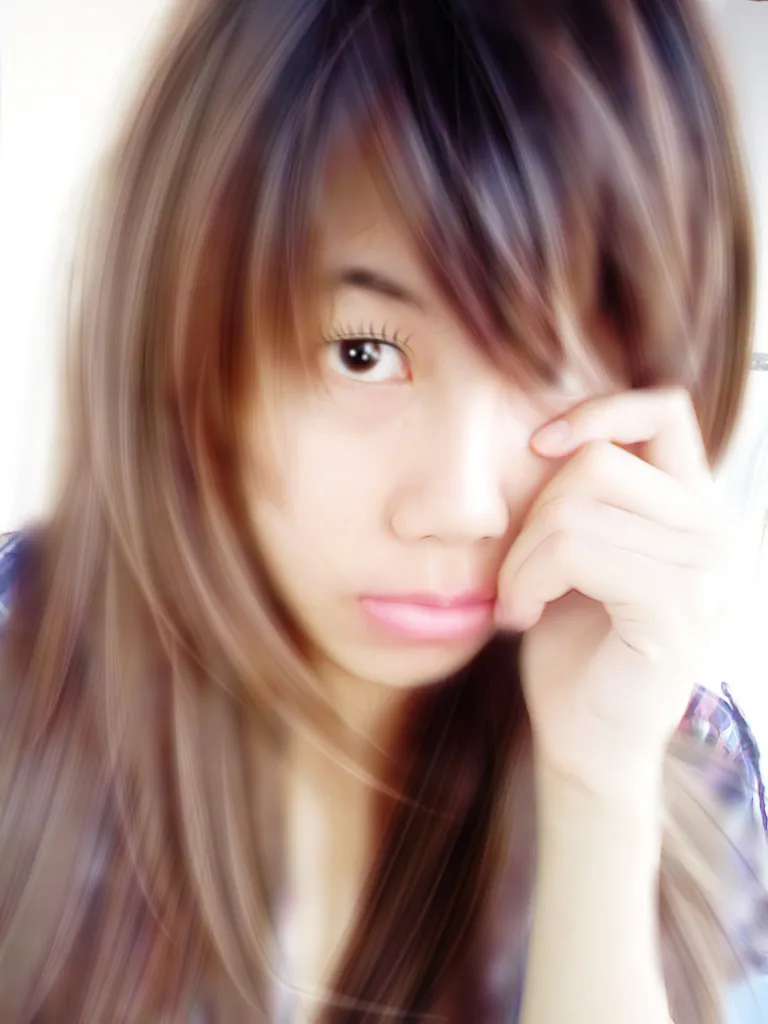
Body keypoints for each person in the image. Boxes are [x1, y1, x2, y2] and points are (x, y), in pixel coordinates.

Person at [0, 0, 767, 1021]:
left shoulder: (692, 758)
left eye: (553, 363)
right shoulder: (20, 661)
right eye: (361, 353)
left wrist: (599, 789)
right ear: (186, 347)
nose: (462, 505)